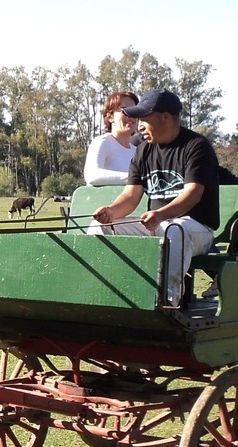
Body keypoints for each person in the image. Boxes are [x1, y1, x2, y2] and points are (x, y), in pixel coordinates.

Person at [90, 88, 221, 307]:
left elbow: (193, 194)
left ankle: (167, 303)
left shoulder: (196, 146)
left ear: (165, 117)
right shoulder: (143, 150)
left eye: (144, 119)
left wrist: (160, 214)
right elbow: (131, 196)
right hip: (157, 224)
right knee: (98, 227)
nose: (139, 125)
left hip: (196, 228)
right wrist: (110, 212)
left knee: (174, 229)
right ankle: (104, 295)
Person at [83, 91, 139, 185]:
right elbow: (92, 175)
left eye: (134, 110)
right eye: (124, 110)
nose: (130, 115)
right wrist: (134, 178)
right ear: (110, 117)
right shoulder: (102, 142)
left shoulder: (137, 152)